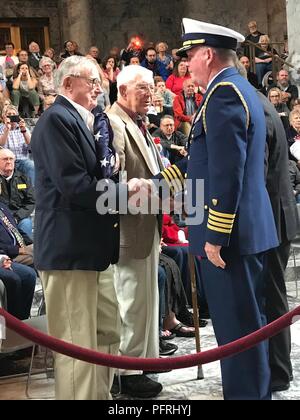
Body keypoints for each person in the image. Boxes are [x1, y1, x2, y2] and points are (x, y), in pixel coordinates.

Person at [154, 18, 279, 400]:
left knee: (237, 329)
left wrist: (215, 236)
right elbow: (203, 160)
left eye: (190, 55)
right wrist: (162, 183)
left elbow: (227, 173)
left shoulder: (223, 94)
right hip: (244, 230)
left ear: (208, 54)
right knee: (244, 325)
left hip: (230, 237)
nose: (188, 64)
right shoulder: (237, 89)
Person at [30, 56, 150, 400]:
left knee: (107, 332)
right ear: (67, 84)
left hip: (94, 251)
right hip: (70, 252)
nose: (99, 87)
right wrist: (123, 191)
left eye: (99, 81)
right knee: (77, 345)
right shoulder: (56, 121)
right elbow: (76, 187)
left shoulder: (83, 121)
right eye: (91, 81)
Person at [107, 65, 165, 399]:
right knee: (130, 301)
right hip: (129, 226)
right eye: (143, 87)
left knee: (145, 299)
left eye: (151, 87)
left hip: (148, 222)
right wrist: (153, 189)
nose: (150, 93)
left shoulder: (139, 123)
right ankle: (127, 371)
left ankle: (144, 361)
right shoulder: (113, 123)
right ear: (124, 88)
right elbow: (112, 185)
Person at [258, 92, 299, 393]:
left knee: (271, 298)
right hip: (280, 215)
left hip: (271, 219)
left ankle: (277, 371)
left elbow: (256, 177)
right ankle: (279, 369)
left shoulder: (252, 108)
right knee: (275, 296)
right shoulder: (264, 104)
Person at [0, 203, 36, 320]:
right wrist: (18, 250)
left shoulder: (2, 206)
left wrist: (29, 243)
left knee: (46, 254)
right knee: (26, 275)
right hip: (8, 253)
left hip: (18, 248)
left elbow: (16, 230)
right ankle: (18, 322)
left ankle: (26, 319)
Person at [0, 148, 35, 240]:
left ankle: (26, 252)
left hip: (19, 217)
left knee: (26, 223)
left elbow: (31, 202)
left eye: (11, 159)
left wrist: (16, 217)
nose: (8, 161)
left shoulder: (24, 178)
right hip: (1, 218)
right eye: (5, 159)